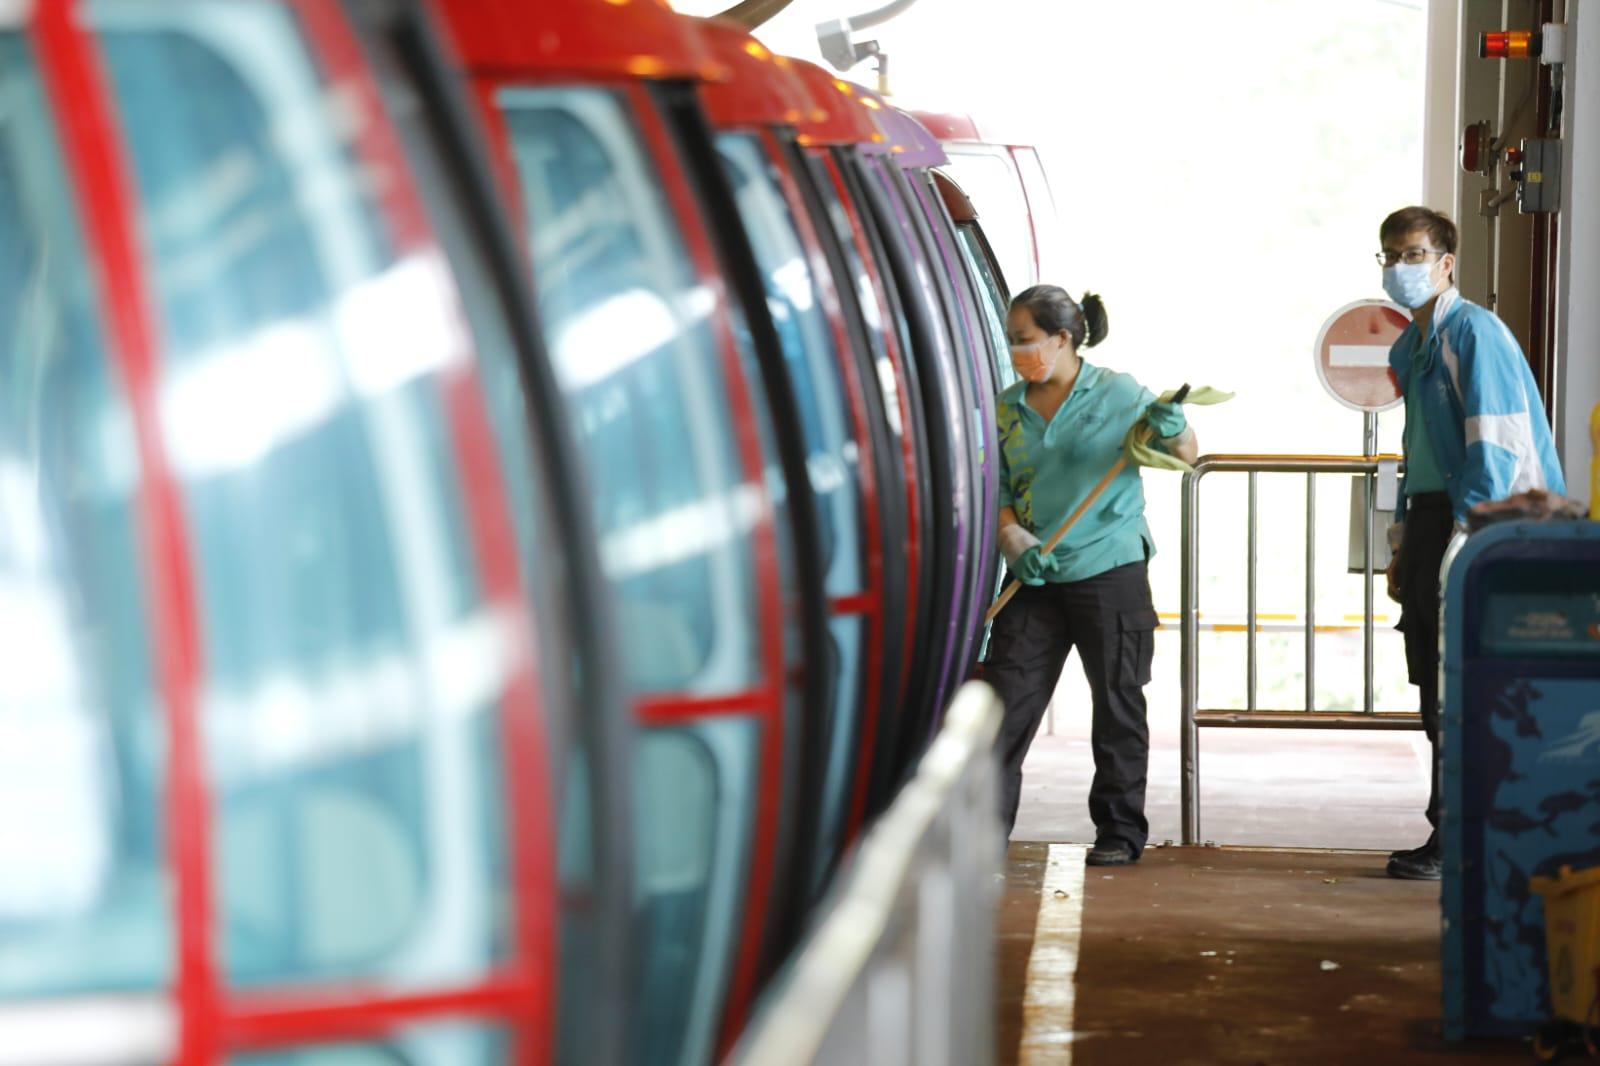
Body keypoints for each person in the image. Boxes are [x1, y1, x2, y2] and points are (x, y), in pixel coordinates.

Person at [1378, 206, 1566, 880]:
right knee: (1436, 682)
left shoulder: (1474, 334)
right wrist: (1405, 542)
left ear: (1447, 262)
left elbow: (1497, 442)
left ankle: (1483, 838)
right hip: (1437, 519)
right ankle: (1453, 831)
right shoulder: (1411, 347)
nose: (1401, 267)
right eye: (1391, 256)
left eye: (1414, 254)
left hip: (1492, 521)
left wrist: (1469, 537)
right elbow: (1417, 452)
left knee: (1474, 682)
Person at [986, 285, 1198, 866]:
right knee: (1003, 709)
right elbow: (1000, 494)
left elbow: (1184, 453)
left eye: (1024, 340)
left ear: (1062, 338)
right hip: (1034, 579)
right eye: (1011, 341)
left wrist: (1175, 425)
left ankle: (1120, 832)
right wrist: (1014, 540)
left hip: (1110, 571)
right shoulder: (1007, 409)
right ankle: (983, 834)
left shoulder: (1118, 393)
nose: (1016, 351)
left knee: (1117, 704)